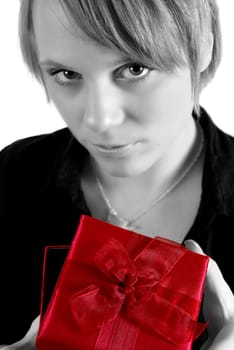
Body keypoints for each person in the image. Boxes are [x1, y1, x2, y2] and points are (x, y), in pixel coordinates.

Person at [0, 0, 234, 348]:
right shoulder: (10, 177)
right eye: (67, 74)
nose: (98, 119)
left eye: (135, 68)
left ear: (203, 46)